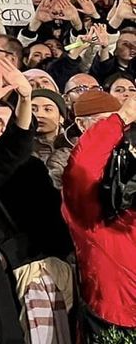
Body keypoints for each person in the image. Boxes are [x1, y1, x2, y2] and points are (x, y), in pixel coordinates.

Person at [62, 84, 136, 339]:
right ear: (83, 126)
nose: (119, 134)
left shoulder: (125, 171)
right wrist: (121, 117)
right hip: (116, 313)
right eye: (106, 124)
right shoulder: (88, 194)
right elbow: (84, 168)